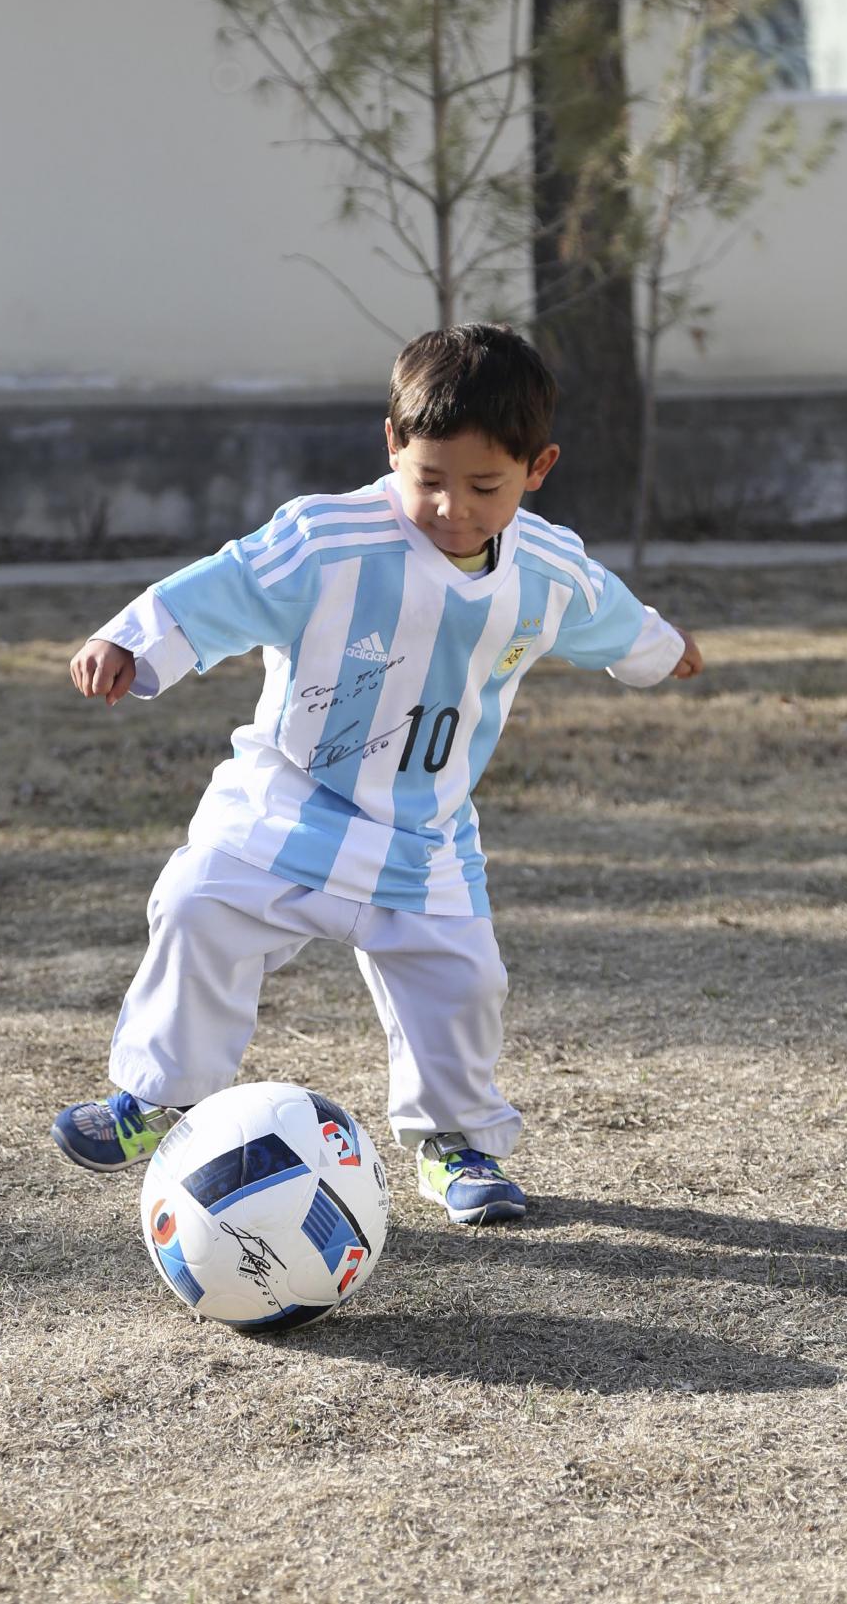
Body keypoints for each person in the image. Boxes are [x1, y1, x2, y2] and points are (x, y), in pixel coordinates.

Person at [51, 322, 703, 1225]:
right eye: (428, 479)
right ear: (392, 443)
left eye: (485, 487)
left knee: (463, 985)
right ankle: (156, 1096)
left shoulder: (545, 571)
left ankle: (455, 1144)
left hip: (421, 832)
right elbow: (221, 585)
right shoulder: (326, 539)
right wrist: (128, 637)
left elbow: (610, 613)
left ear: (537, 468)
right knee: (197, 905)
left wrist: (663, 650)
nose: (451, 508)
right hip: (285, 806)